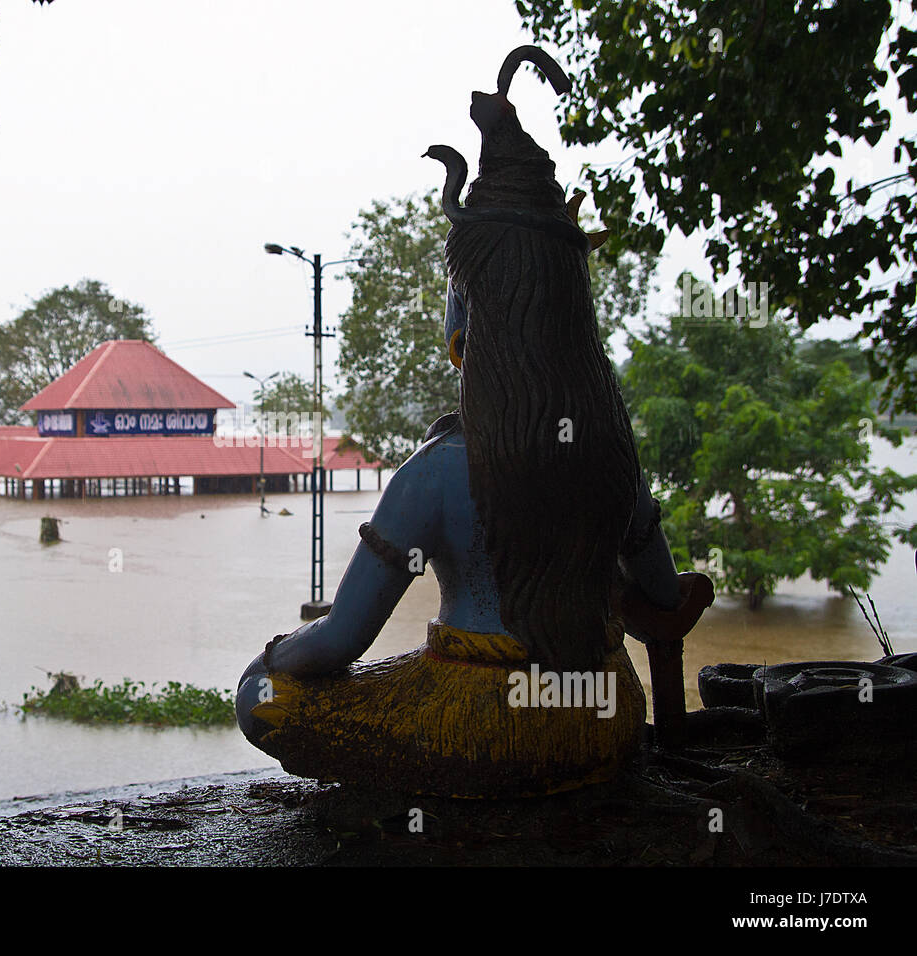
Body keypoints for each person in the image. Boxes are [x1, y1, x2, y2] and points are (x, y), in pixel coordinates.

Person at [235, 47, 709, 797]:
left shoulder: (437, 472)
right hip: (603, 712)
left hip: (486, 721)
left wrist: (271, 658)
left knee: (266, 699)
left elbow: (342, 639)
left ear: (470, 313)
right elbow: (662, 598)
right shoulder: (610, 453)